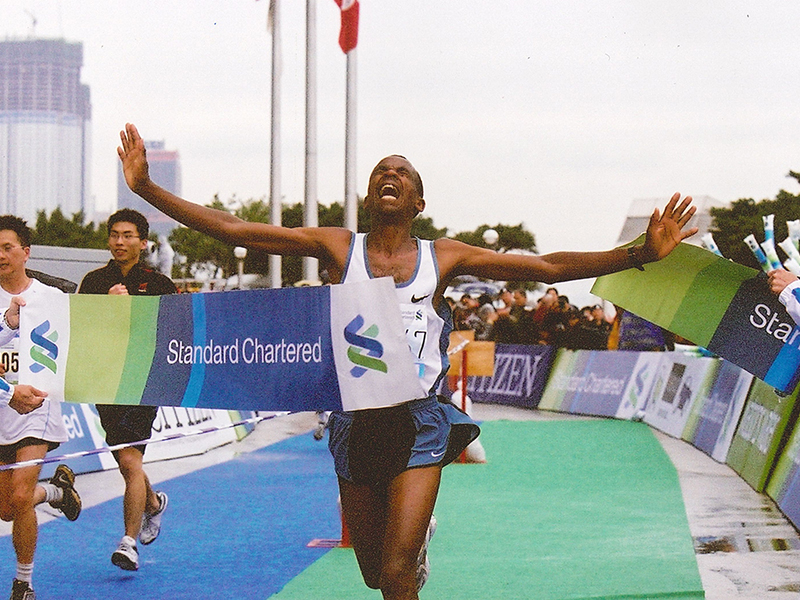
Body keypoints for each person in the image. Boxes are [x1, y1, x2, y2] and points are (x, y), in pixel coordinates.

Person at [117, 122, 697, 600]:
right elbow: (236, 228)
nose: (389, 176)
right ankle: (412, 555)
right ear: (370, 197)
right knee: (375, 574)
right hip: (354, 422)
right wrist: (146, 188)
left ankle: (409, 556)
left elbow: (546, 267)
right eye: (380, 172)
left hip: (418, 422)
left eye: (402, 173)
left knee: (395, 577)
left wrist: (639, 253)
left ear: (419, 202)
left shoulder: (442, 257)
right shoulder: (338, 247)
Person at [78, 208, 177, 572]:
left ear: (143, 242)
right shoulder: (93, 281)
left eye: (128, 235)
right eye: (114, 235)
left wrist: (130, 309)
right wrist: (106, 307)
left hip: (143, 380)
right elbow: (79, 330)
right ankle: (152, 503)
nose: (119, 242)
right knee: (126, 460)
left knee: (131, 460)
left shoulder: (159, 284)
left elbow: (173, 331)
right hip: (105, 381)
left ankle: (128, 543)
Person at [0, 216, 82, 600]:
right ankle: (55, 492)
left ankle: (23, 583)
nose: (1, 255)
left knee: (19, 497)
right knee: (7, 508)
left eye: (7, 247)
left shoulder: (52, 296)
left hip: (37, 407)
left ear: (26, 252)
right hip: (3, 407)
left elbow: (87, 332)